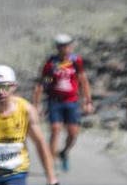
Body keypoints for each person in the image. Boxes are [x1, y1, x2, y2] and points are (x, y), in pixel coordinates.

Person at [32, 33, 93, 172]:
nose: (64, 49)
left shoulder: (76, 61)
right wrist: (36, 104)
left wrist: (87, 101)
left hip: (71, 101)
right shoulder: (51, 63)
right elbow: (41, 84)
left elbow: (83, 81)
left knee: (73, 133)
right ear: (57, 47)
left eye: (67, 46)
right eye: (61, 46)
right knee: (55, 130)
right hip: (55, 102)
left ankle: (64, 152)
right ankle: (52, 164)